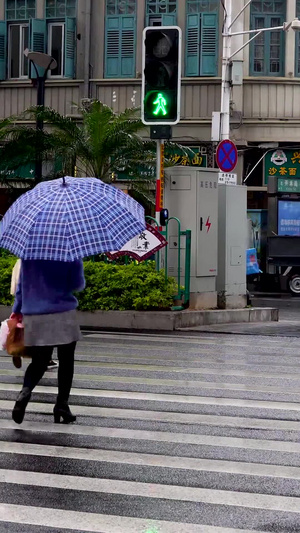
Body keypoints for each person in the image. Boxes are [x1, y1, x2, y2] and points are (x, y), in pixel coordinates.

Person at [11, 259, 85, 425]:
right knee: (66, 360)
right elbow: (77, 284)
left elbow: (20, 289)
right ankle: (61, 405)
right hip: (63, 313)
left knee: (39, 362)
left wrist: (16, 312)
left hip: (35, 316)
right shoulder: (69, 254)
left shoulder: (29, 256)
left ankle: (26, 390)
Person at [10, 259, 58, 371]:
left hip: (27, 304)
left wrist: (16, 310)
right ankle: (45, 360)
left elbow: (18, 290)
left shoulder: (23, 260)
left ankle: (19, 351)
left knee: (25, 330)